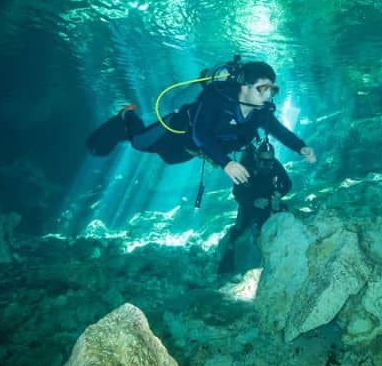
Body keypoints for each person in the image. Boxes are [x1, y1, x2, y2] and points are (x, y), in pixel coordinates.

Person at [86, 61, 317, 186]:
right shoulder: (217, 99)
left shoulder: (261, 112)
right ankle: (128, 115)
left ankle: (125, 128)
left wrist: (300, 147)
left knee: (169, 159)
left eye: (272, 89)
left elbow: (278, 131)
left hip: (192, 149)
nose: (268, 96)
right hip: (176, 129)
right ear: (244, 86)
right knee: (138, 142)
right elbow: (202, 135)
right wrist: (227, 163)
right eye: (263, 88)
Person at [217, 139, 291, 274]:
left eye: (270, 162)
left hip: (267, 198)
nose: (267, 165)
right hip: (249, 201)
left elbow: (287, 183)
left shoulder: (274, 165)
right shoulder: (247, 165)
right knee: (239, 228)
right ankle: (229, 254)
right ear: (257, 157)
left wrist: (278, 194)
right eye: (263, 161)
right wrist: (252, 201)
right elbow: (237, 192)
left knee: (279, 216)